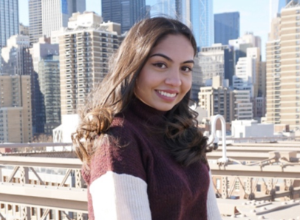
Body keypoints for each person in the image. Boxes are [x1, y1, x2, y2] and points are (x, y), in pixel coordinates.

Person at [72, 17, 222, 220]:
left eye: (185, 68)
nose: (175, 81)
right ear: (133, 67)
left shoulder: (185, 135)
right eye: (160, 64)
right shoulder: (118, 141)